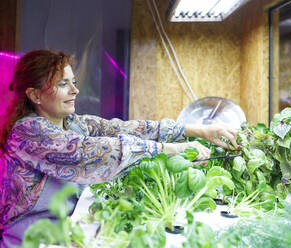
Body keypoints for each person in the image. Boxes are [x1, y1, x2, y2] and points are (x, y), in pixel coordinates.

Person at [0, 50, 238, 247]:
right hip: (28, 240)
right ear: (34, 95)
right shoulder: (28, 133)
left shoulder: (73, 123)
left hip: (63, 234)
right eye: (63, 84)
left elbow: (124, 129)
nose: (75, 90)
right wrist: (169, 150)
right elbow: (92, 151)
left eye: (73, 81)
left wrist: (197, 130)